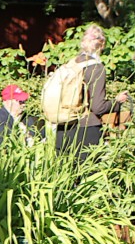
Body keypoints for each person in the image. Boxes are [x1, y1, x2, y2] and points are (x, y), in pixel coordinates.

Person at [53, 24, 129, 161]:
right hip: (86, 131)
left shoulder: (69, 65)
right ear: (101, 45)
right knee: (88, 178)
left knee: (65, 179)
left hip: (62, 128)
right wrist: (117, 102)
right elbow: (98, 107)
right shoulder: (96, 68)